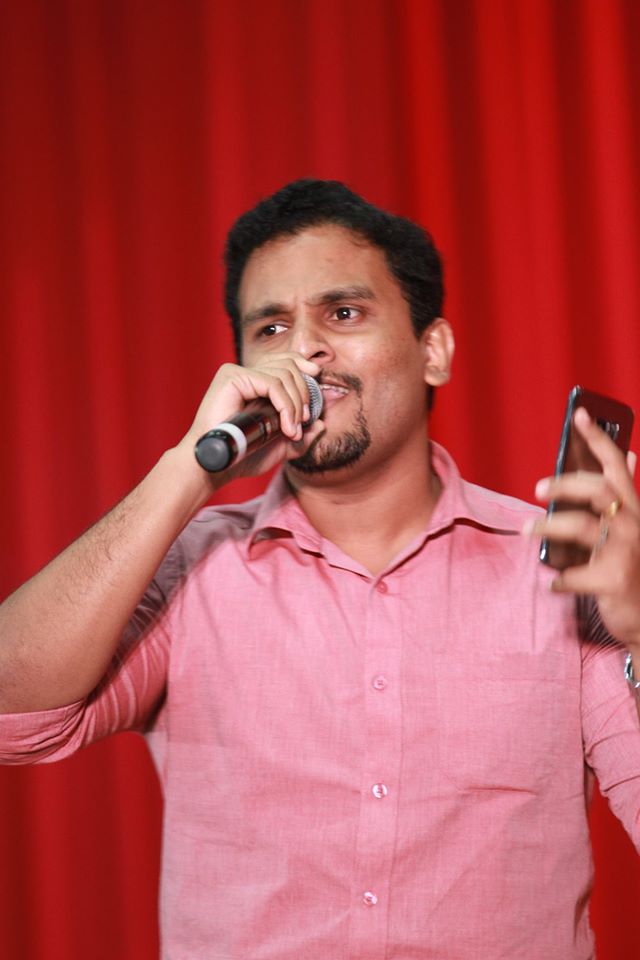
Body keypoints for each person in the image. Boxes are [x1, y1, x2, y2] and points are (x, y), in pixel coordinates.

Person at [1, 179, 639, 959]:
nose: (304, 350)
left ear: (433, 351)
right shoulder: (193, 567)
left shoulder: (566, 567)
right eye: (271, 327)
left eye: (343, 313)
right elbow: (13, 713)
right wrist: (187, 470)